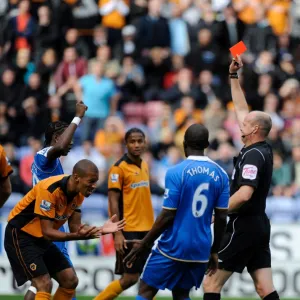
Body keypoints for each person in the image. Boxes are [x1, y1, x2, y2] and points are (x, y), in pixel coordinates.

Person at [202, 56, 279, 300]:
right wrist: (233, 77)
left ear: (254, 129)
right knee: (264, 288)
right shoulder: (260, 147)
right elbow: (242, 109)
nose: (239, 123)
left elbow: (245, 193)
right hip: (259, 225)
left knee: (211, 284)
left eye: (245, 124)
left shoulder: (254, 156)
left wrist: (218, 213)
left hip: (242, 225)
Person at [124, 123, 230, 300]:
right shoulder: (221, 174)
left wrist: (144, 243)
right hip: (201, 248)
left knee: (146, 291)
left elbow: (168, 214)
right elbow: (221, 217)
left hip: (173, 246)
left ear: (184, 143)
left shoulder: (176, 172)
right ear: (207, 145)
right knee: (181, 293)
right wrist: (214, 250)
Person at [4, 159, 125, 300]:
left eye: (96, 181)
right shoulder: (49, 189)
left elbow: (76, 227)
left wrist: (101, 229)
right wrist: (79, 236)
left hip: (40, 239)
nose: (94, 186)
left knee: (70, 280)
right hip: (20, 235)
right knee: (43, 283)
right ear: (76, 178)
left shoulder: (79, 193)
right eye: (91, 181)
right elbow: (48, 232)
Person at [25, 101, 87, 300]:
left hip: (45, 223)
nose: (71, 143)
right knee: (68, 282)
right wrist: (77, 118)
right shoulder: (45, 157)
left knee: (39, 285)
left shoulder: (52, 164)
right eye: (68, 138)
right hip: (48, 224)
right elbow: (59, 147)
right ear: (56, 137)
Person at [94, 128, 154, 300]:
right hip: (129, 230)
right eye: (132, 141)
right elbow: (112, 201)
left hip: (147, 229)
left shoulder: (144, 164)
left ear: (145, 143)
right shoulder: (118, 168)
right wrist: (117, 233)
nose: (136, 145)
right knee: (130, 278)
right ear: (126, 144)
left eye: (140, 141)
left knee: (149, 279)